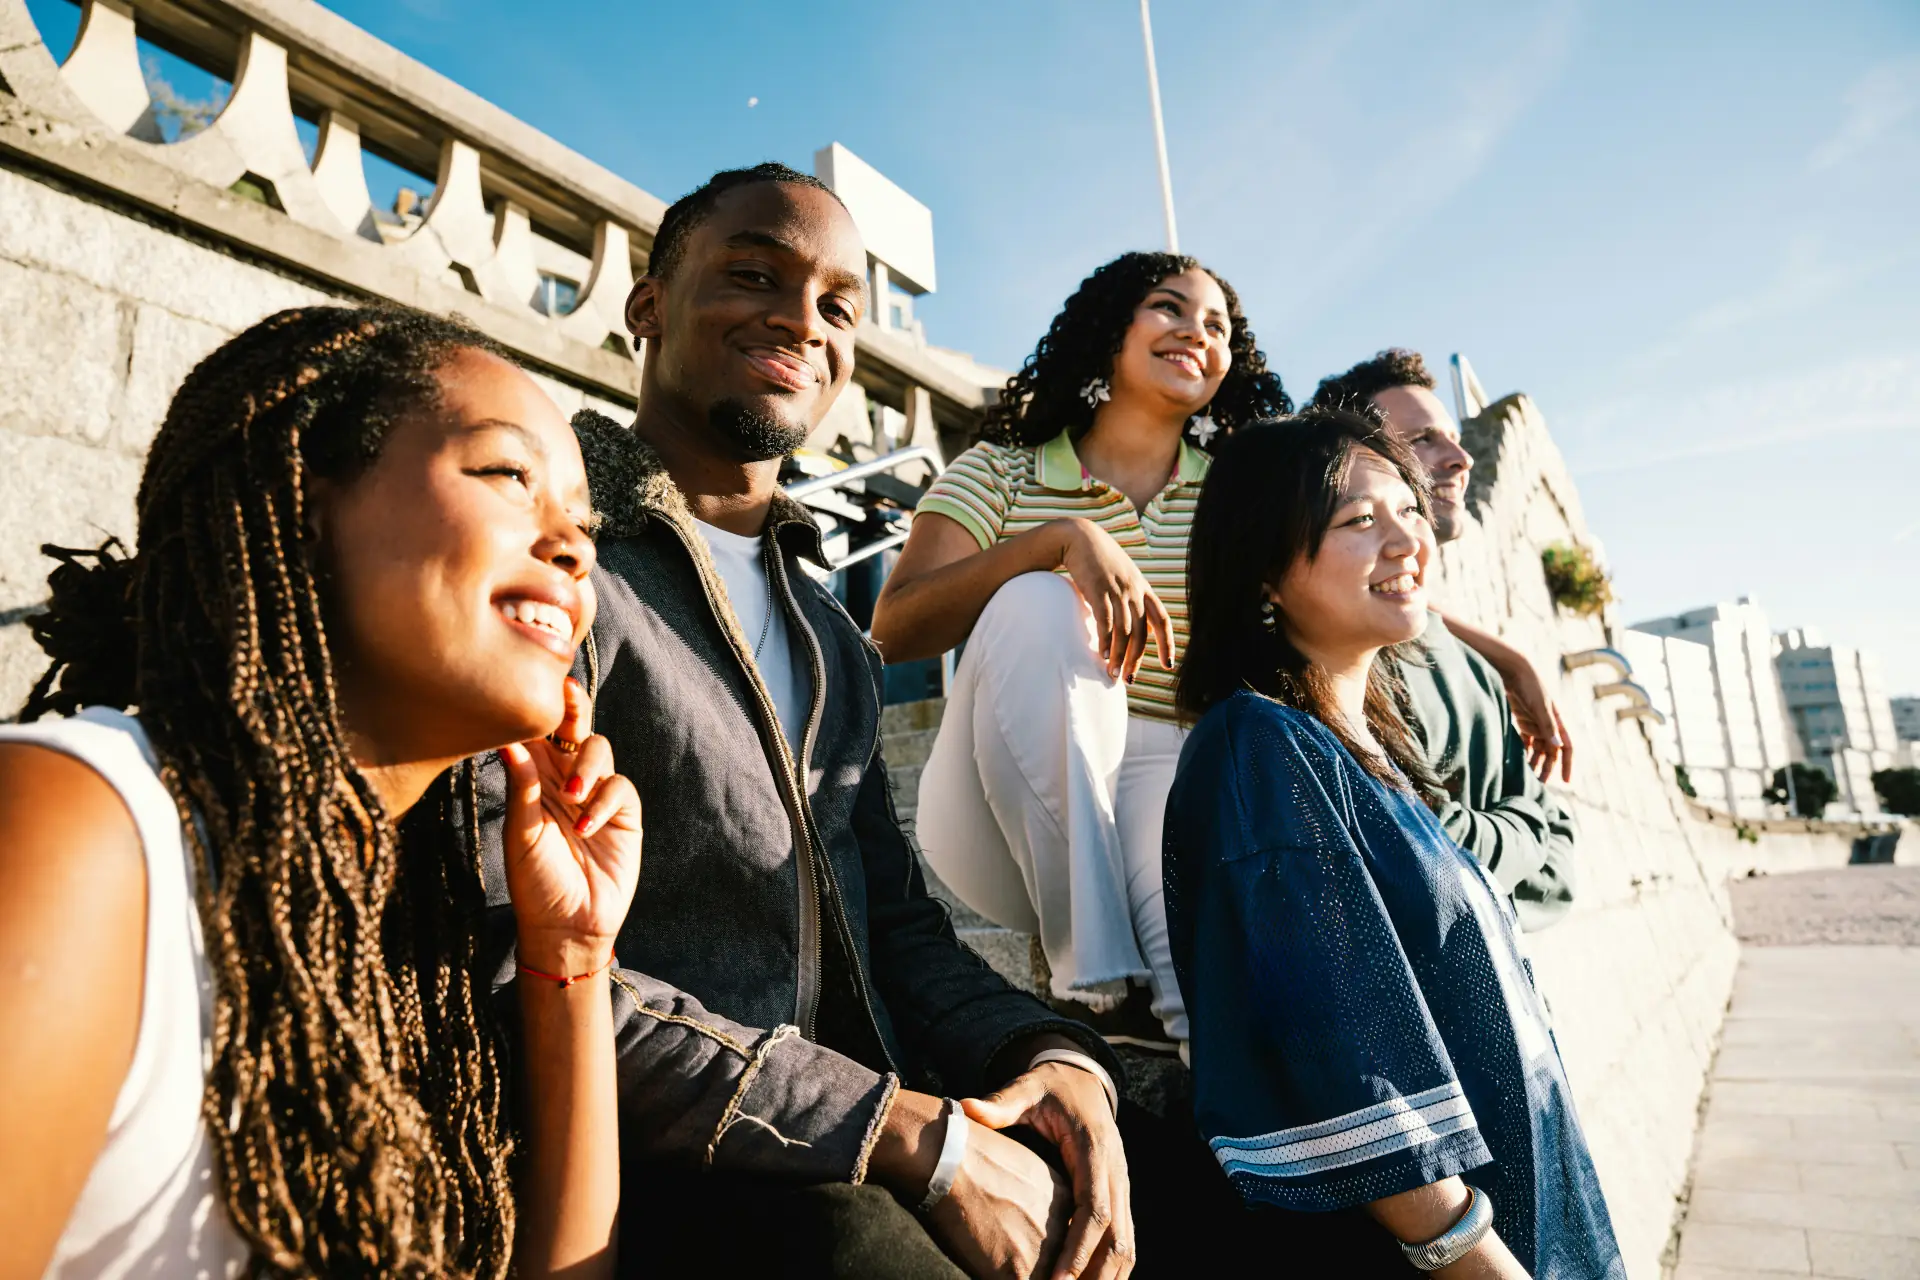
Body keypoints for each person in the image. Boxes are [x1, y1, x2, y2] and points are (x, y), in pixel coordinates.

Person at [480, 164, 1133, 1280]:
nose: (800, 318)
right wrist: (901, 1134)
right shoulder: (557, 554)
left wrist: (1056, 1055)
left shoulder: (830, 632)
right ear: (648, 305)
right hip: (661, 1159)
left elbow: (899, 930)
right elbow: (512, 949)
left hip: (858, 1129)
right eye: (753, 274)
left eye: (838, 304)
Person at [0, 306, 641, 1279]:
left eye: (586, 523)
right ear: (301, 495)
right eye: (510, 475)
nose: (573, 546)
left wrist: (575, 958)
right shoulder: (84, 824)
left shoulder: (388, 930)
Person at [1165, 409, 1625, 1278]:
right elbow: (1343, 1054)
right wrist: (1471, 1256)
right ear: (1264, 568)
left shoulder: (1363, 751)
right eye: (1357, 521)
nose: (1405, 539)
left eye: (1408, 511)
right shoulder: (1259, 749)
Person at [871, 252, 1291, 1053]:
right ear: (1111, 330)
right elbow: (893, 627)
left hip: (1176, 773)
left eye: (1218, 327)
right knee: (1036, 599)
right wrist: (1061, 540)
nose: (1195, 334)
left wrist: (1505, 658)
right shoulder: (1000, 471)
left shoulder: (1241, 494)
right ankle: (1091, 975)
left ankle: (1173, 1056)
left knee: (1209, 1003)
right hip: (1004, 801)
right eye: (1169, 309)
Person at [1309, 350, 1577, 929]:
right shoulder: (1350, 652)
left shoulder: (1475, 664)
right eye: (1425, 440)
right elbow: (1428, 854)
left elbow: (1561, 876)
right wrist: (1526, 826)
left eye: (1455, 438)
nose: (1460, 459)